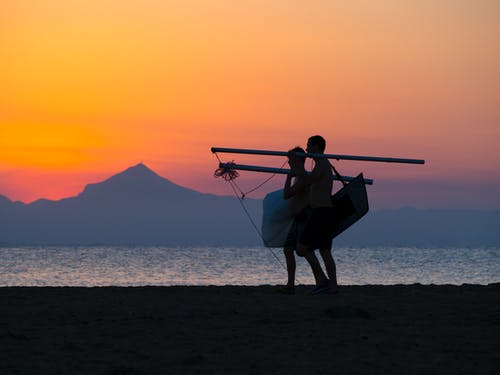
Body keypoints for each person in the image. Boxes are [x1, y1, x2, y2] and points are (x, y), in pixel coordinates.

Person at [296, 135, 339, 294]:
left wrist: (298, 168)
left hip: (322, 212)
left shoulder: (321, 163)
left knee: (302, 247)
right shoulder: (321, 164)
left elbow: (308, 180)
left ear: (316, 146)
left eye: (309, 146)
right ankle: (330, 285)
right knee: (324, 250)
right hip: (321, 211)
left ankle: (323, 281)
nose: (306, 149)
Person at [279, 147, 309, 294]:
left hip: (303, 219)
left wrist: (288, 177)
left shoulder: (302, 177)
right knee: (288, 250)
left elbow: (287, 194)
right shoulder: (299, 175)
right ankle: (290, 284)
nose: (289, 162)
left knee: (305, 251)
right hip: (297, 219)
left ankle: (321, 280)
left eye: (291, 160)